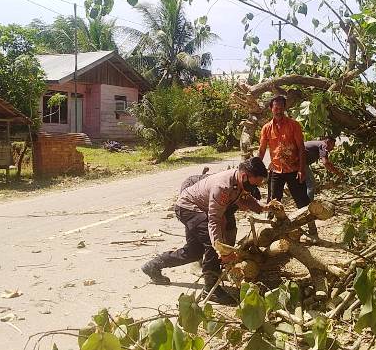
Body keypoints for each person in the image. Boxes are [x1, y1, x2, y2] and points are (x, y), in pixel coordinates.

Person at [141, 157, 271, 305]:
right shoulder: (223, 186)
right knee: (213, 244)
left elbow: (245, 198)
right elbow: (214, 220)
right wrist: (222, 251)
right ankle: (210, 289)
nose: (254, 188)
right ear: (244, 176)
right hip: (188, 208)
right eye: (254, 184)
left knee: (194, 251)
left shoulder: (240, 182)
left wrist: (262, 207)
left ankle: (153, 265)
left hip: (199, 210)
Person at [258, 95, 316, 235]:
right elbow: (261, 150)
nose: (278, 111)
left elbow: (301, 149)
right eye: (275, 108)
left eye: (281, 108)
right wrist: (256, 170)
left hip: (294, 170)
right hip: (276, 171)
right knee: (273, 203)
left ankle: (313, 232)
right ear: (271, 109)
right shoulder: (266, 128)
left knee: (302, 202)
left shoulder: (294, 125)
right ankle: (270, 233)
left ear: (285, 108)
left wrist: (302, 170)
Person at [304, 136, 344, 200]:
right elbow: (325, 163)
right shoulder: (323, 145)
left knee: (305, 183)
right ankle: (307, 204)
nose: (333, 148)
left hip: (295, 160)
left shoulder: (320, 144)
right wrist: (338, 173)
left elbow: (327, 162)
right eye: (332, 145)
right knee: (311, 183)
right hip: (301, 163)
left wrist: (335, 170)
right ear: (327, 142)